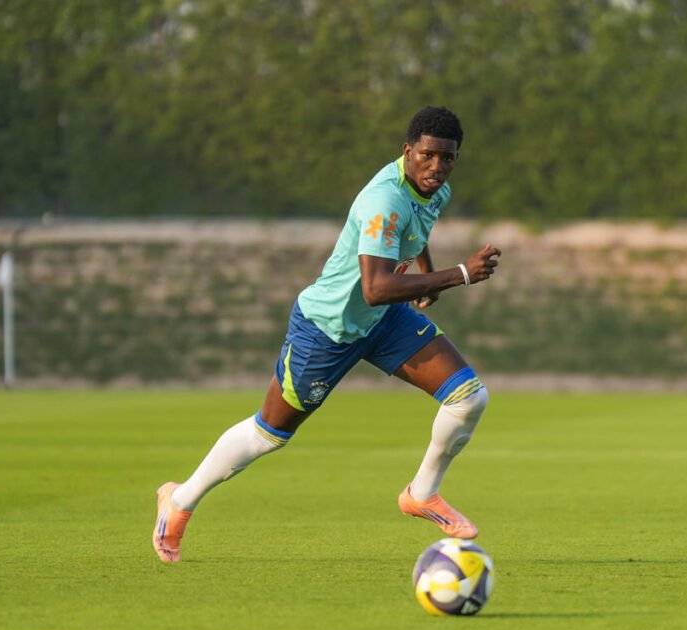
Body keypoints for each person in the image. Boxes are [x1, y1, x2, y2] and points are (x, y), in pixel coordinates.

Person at [153, 106, 501, 562]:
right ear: (407, 151)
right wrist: (459, 274)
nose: (437, 167)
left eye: (448, 158)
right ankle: (178, 501)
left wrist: (427, 274)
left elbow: (414, 231)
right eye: (428, 156)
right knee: (269, 434)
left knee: (469, 397)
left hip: (384, 320)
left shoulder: (434, 187)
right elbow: (376, 288)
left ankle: (421, 494)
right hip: (329, 328)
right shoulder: (383, 201)